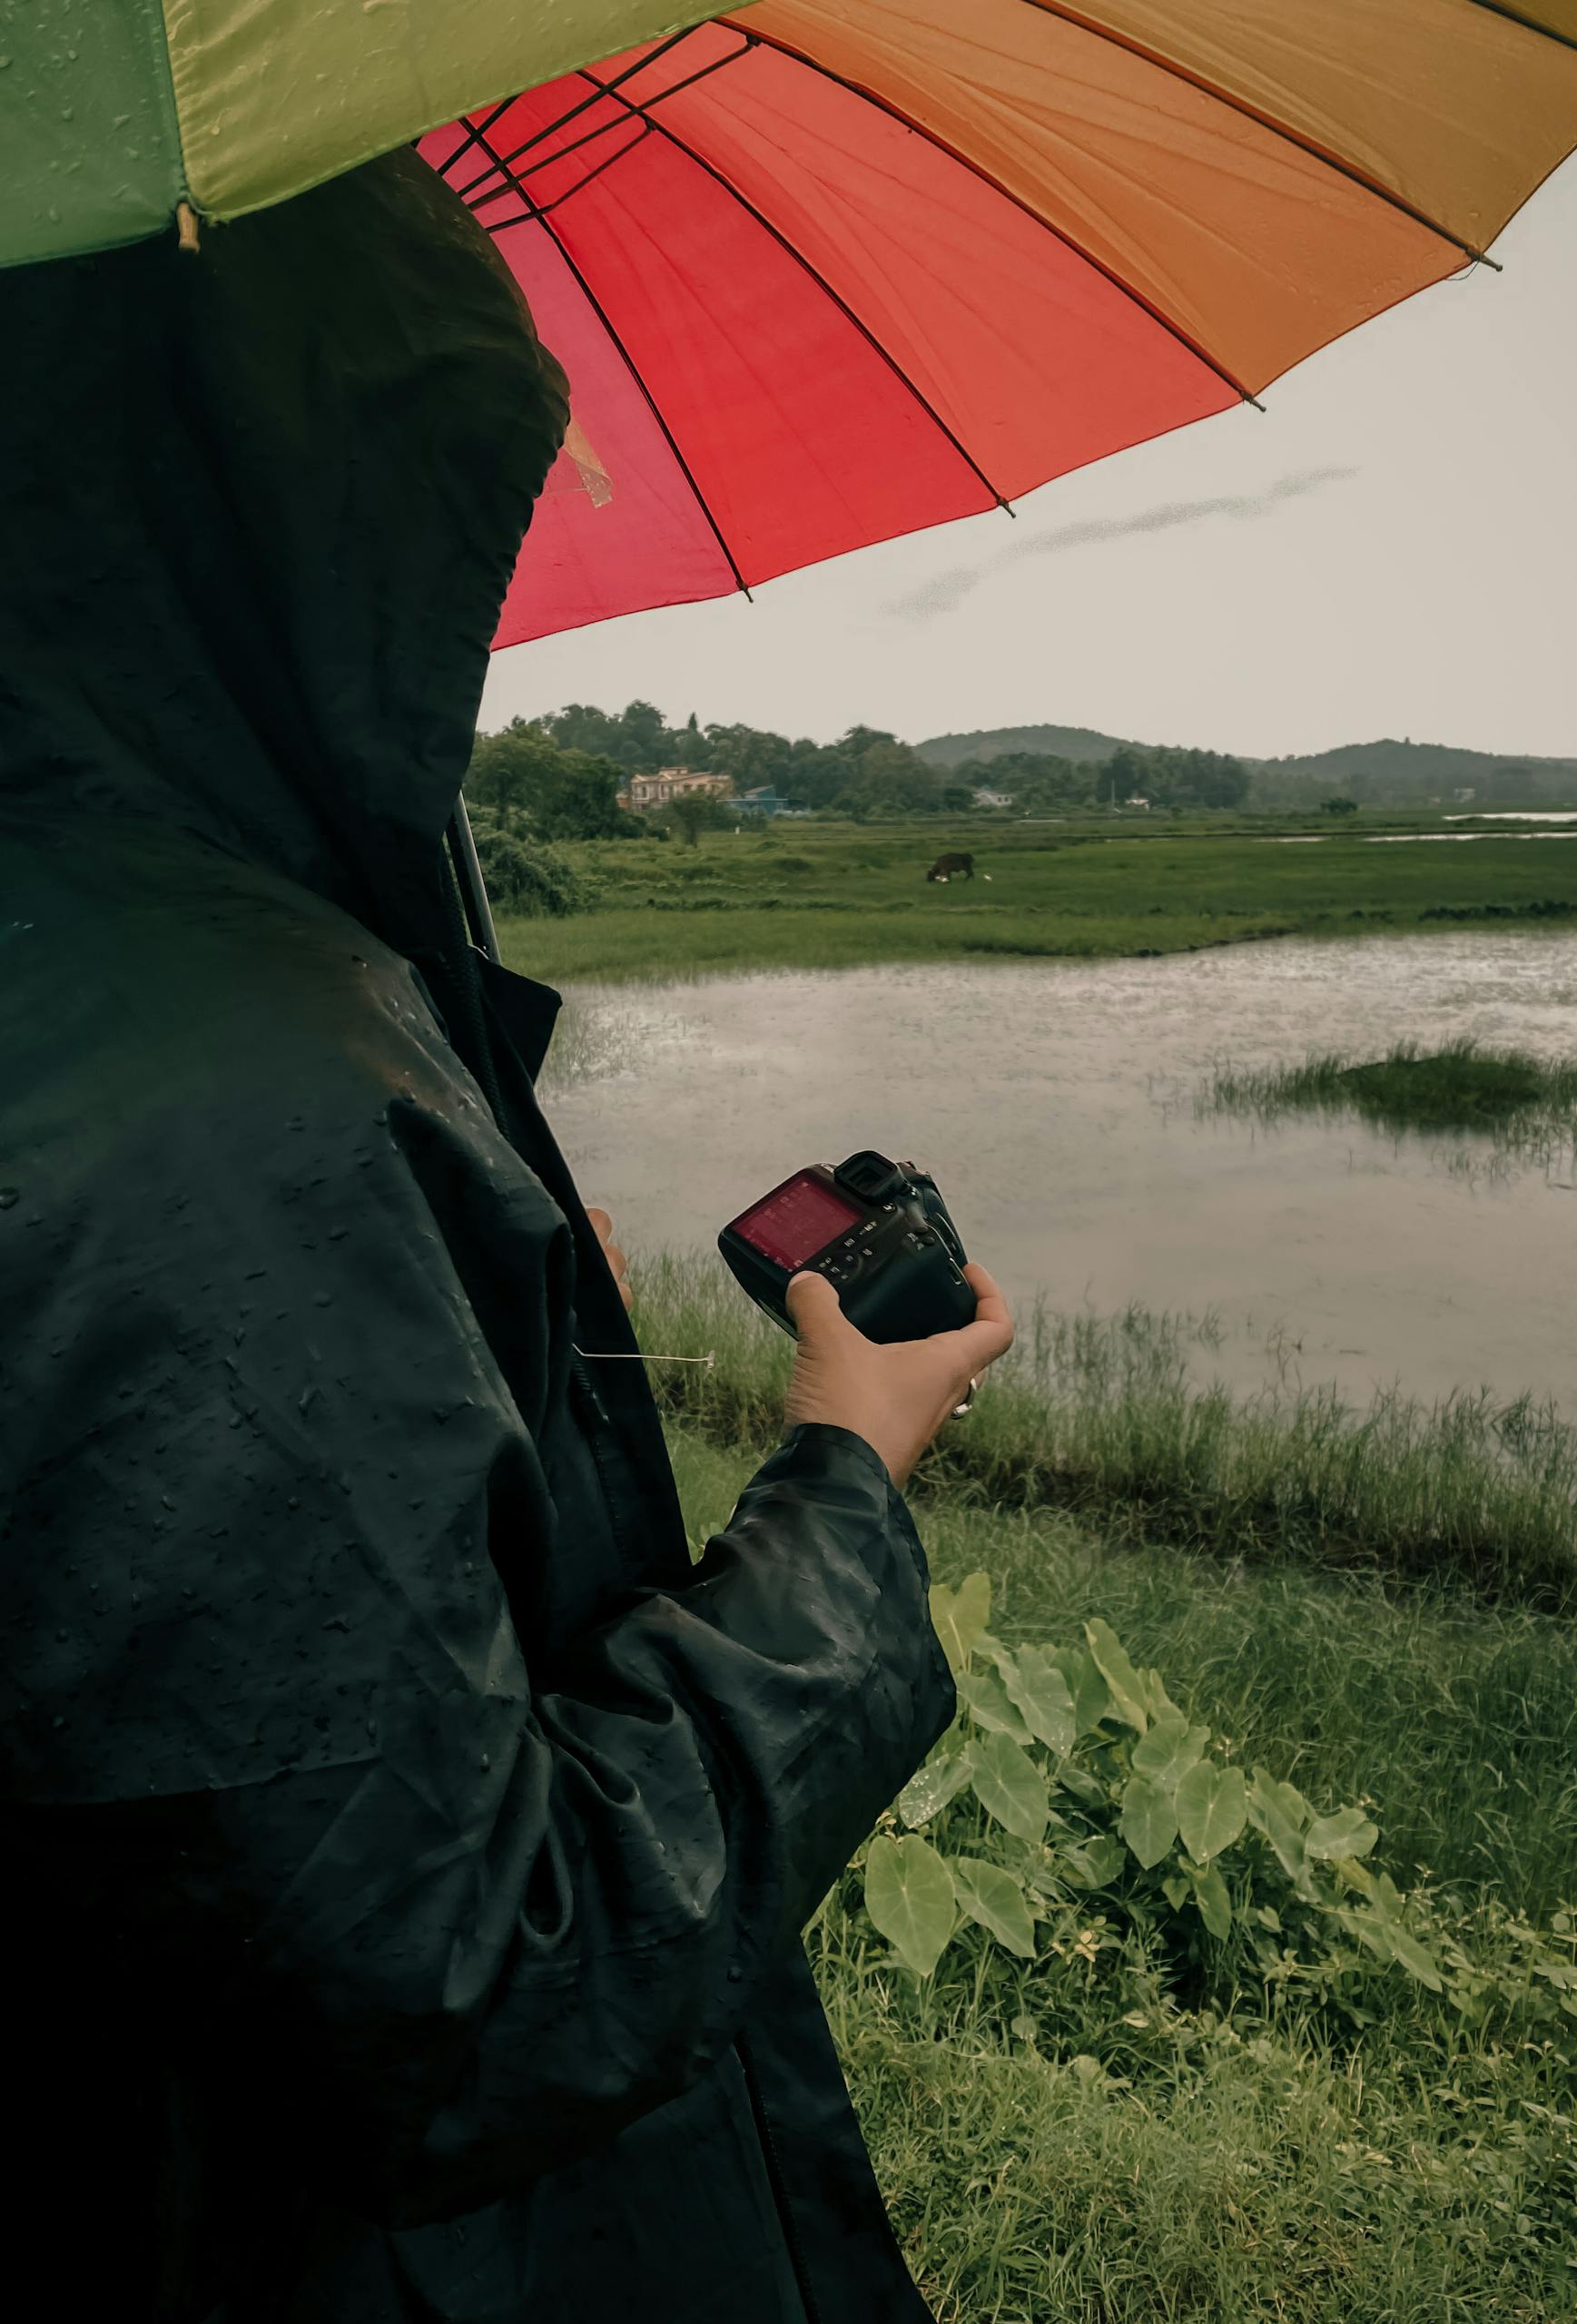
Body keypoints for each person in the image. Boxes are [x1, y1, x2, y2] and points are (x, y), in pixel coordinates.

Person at [0, 152, 1010, 2321]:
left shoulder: (105, 960)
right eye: (448, 488)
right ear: (268, 512)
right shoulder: (209, 1100)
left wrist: (474, 1314)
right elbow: (478, 1984)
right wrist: (845, 1480)